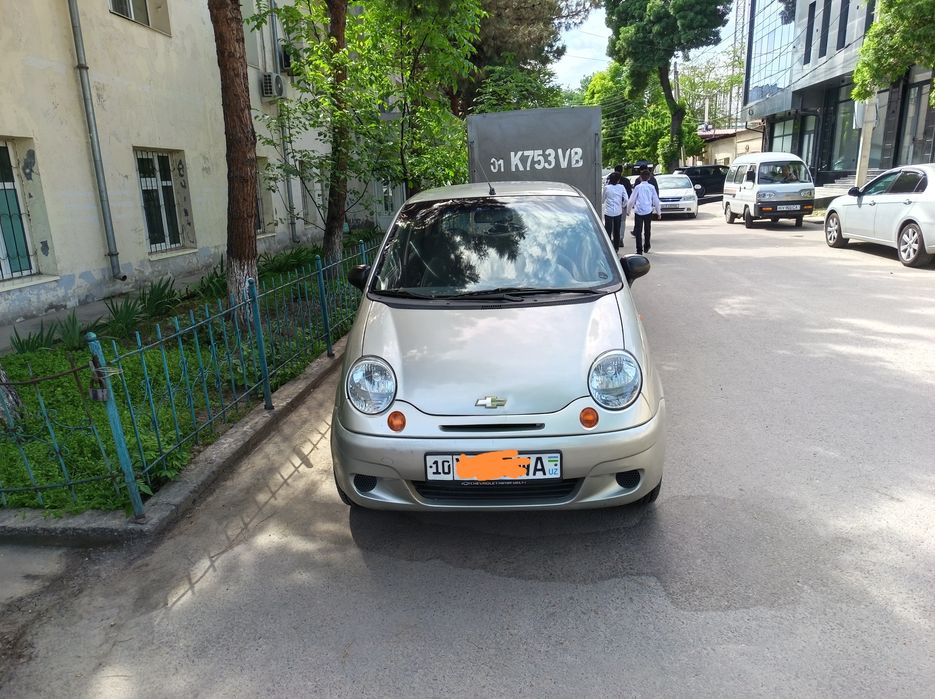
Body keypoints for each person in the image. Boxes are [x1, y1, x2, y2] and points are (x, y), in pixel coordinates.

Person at [627, 169, 661, 255]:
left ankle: (639, 250)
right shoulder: (651, 187)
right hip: (648, 210)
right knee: (647, 229)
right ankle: (647, 245)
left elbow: (631, 200)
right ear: (649, 178)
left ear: (640, 178)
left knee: (638, 231)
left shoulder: (637, 187)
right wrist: (658, 212)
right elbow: (656, 200)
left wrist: (628, 210)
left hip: (638, 211)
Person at [602, 171, 627, 249]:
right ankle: (616, 247)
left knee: (608, 230)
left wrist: (603, 202)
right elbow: (626, 199)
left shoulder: (606, 188)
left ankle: (608, 247)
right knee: (617, 230)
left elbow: (603, 199)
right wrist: (622, 206)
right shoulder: (621, 187)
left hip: (608, 212)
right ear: (618, 180)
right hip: (618, 212)